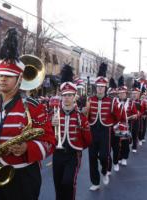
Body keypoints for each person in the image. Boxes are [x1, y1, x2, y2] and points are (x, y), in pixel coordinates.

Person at [0, 28, 55, 200]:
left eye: (8, 76)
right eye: (0, 75)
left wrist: (28, 148)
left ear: (19, 79)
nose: (2, 79)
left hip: (21, 179)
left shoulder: (35, 107)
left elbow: (49, 142)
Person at [51, 64, 92, 200]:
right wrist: (52, 126)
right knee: (58, 185)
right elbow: (47, 137)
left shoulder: (81, 117)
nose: (67, 98)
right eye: (65, 95)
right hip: (57, 154)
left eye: (70, 95)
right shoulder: (54, 115)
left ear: (75, 96)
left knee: (68, 183)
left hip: (73, 155)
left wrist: (78, 147)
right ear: (61, 96)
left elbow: (88, 141)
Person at [86, 62, 122, 191]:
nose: (100, 89)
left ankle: (105, 170)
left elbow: (118, 116)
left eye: (102, 87)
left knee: (104, 155)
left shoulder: (111, 101)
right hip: (92, 131)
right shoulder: (90, 100)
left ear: (105, 87)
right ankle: (95, 182)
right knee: (91, 158)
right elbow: (86, 116)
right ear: (96, 87)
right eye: (98, 87)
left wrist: (114, 125)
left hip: (105, 131)